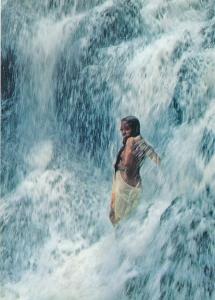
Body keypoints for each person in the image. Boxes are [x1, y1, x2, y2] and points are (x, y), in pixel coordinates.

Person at [109, 116, 161, 225]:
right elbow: (156, 158)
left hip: (123, 184)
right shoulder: (141, 142)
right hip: (137, 186)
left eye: (126, 129)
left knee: (115, 218)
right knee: (128, 219)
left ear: (135, 128)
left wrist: (119, 166)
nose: (123, 132)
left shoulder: (130, 141)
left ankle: (118, 240)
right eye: (122, 129)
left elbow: (127, 163)